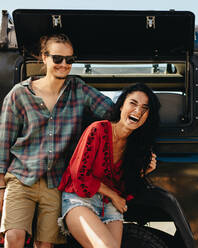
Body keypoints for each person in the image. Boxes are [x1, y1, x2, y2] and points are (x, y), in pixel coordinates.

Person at [0, 34, 113, 248]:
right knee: (13, 237)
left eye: (69, 60)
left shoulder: (78, 89)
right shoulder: (19, 94)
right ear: (44, 57)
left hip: (56, 182)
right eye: (58, 58)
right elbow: (3, 142)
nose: (64, 65)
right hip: (21, 177)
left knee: (46, 244)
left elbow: (113, 112)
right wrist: (0, 188)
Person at [57, 83, 161, 248]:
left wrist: (143, 172)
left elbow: (125, 188)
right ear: (121, 106)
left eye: (145, 108)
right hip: (80, 198)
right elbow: (80, 176)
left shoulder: (138, 146)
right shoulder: (97, 130)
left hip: (110, 208)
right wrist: (113, 195)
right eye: (133, 103)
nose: (138, 111)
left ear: (148, 116)